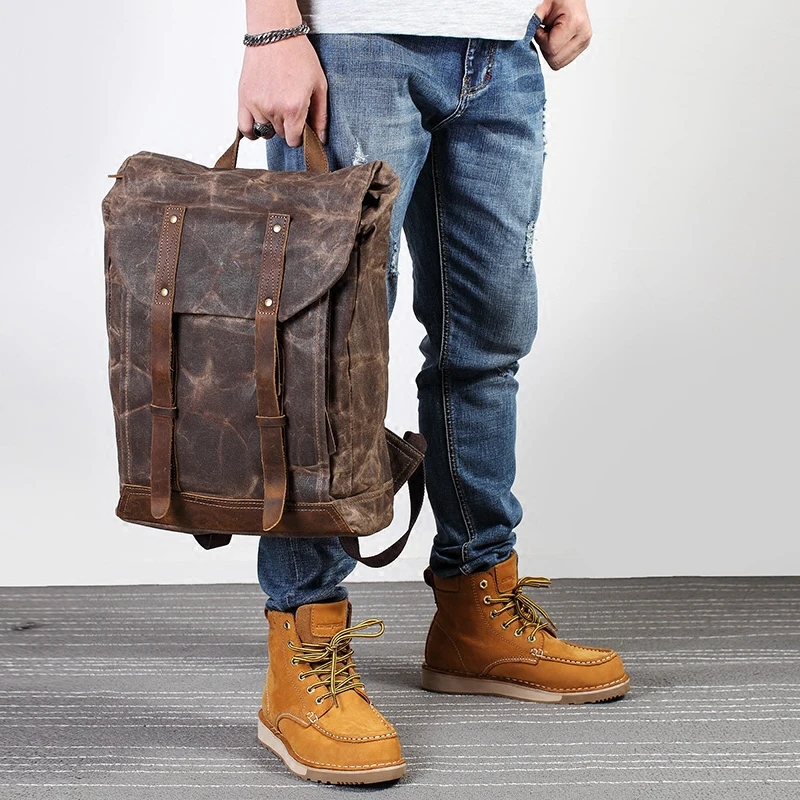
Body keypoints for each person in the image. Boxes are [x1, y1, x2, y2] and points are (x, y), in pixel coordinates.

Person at [238, 0, 630, 785]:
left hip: (502, 47)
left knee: (487, 339)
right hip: (354, 42)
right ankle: (303, 639)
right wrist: (272, 27)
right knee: (326, 355)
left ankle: (475, 608)